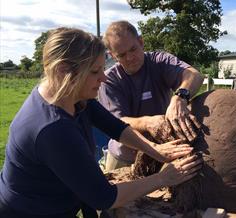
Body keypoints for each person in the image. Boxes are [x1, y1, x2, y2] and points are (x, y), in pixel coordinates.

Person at [0, 27, 202, 218]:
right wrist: (163, 178)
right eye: (95, 71)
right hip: (31, 212)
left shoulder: (72, 96)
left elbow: (116, 127)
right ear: (63, 71)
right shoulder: (52, 129)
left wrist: (155, 150)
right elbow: (104, 197)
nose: (104, 78)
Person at [98, 21, 204, 171]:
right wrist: (148, 122)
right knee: (114, 191)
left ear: (141, 42)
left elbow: (194, 75)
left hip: (165, 150)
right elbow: (116, 121)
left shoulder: (159, 61)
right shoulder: (109, 80)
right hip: (126, 156)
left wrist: (180, 97)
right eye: (121, 55)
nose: (129, 58)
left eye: (133, 49)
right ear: (113, 56)